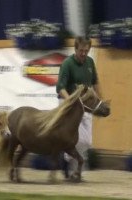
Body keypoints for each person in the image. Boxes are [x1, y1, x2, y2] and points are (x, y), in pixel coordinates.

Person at [56, 36, 102, 178]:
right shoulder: (67, 64)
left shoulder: (90, 62)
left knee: (87, 141)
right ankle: (76, 170)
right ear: (75, 49)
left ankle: (67, 158)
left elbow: (95, 82)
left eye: (86, 50)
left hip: (86, 103)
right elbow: (60, 88)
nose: (83, 53)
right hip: (69, 103)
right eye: (81, 50)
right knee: (76, 138)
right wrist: (70, 101)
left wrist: (100, 100)